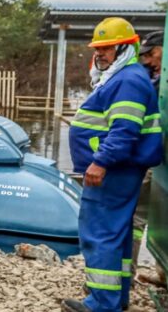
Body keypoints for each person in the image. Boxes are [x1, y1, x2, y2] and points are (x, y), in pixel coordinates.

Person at [62, 18, 162, 312]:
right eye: (98, 48)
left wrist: (100, 162)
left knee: (100, 232)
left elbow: (124, 130)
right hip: (121, 169)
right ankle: (116, 297)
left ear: (124, 48)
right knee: (117, 232)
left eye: (107, 48)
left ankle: (101, 303)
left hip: (113, 170)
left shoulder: (128, 80)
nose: (100, 54)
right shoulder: (127, 76)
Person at [133, 30, 166, 286]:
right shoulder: (155, 80)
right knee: (150, 214)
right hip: (156, 158)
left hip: (155, 158)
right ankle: (162, 271)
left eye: (152, 54)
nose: (149, 61)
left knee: (139, 216)